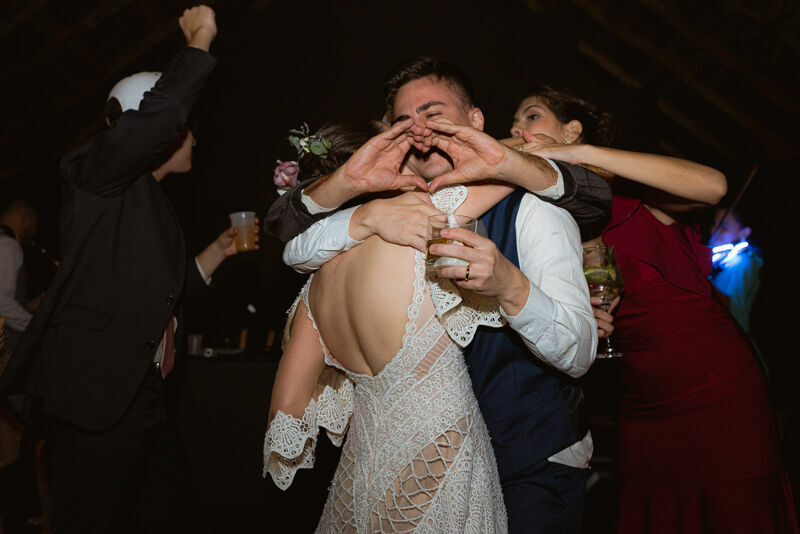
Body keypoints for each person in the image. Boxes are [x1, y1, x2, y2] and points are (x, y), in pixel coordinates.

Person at [268, 57, 598, 534]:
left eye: (433, 113)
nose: (419, 131)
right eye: (403, 122)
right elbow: (295, 246)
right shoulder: (383, 219)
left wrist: (511, 286)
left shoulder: (532, 207)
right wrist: (365, 218)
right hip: (420, 470)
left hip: (531, 460)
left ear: (476, 122)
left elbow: (580, 352)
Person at [509, 84, 798, 533]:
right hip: (642, 402)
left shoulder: (631, 195)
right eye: (513, 123)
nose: (517, 128)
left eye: (531, 116)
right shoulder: (540, 220)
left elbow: (713, 185)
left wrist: (584, 154)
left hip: (715, 387)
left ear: (571, 131)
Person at [0, 6, 228, 533]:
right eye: (185, 126)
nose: (192, 134)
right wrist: (199, 39)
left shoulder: (149, 204)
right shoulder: (92, 172)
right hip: (96, 400)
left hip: (142, 399)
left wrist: (219, 250)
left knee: (168, 515)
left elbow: (166, 298)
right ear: (149, 128)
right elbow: (165, 115)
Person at [708, 206, 762, 334]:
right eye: (714, 224)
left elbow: (729, 309)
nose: (714, 231)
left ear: (744, 233)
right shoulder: (724, 260)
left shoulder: (741, 264)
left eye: (723, 227)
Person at [0, 199, 39, 357]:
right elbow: (1, 301)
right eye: (36, 223)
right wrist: (36, 325)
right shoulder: (8, 245)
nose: (35, 230)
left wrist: (28, 305)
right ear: (24, 218)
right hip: (8, 350)